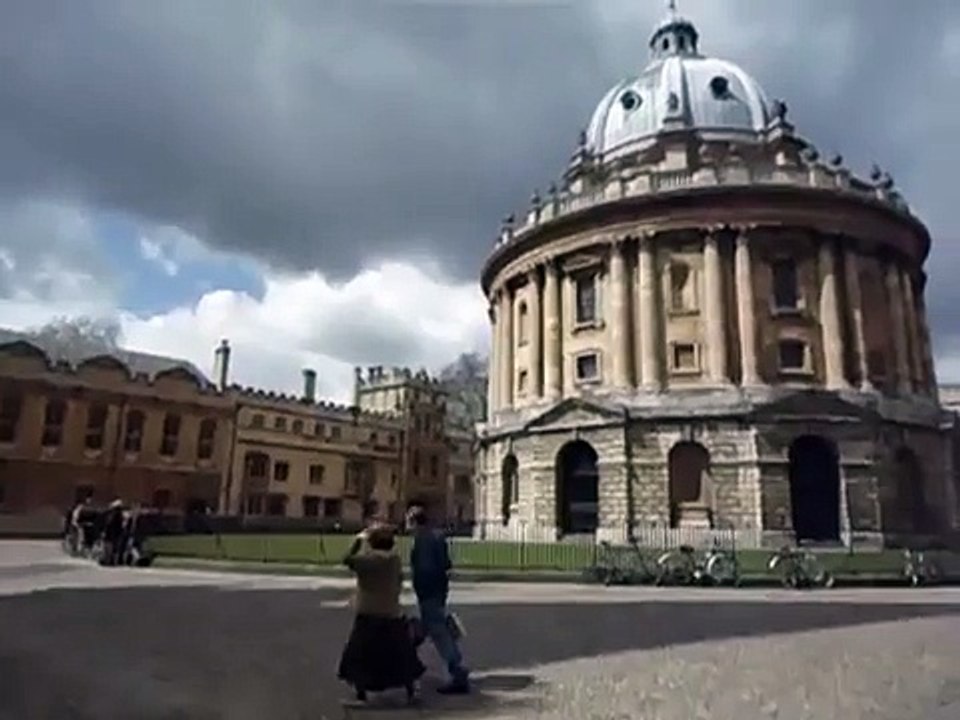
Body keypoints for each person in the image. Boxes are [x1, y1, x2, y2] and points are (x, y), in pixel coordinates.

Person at [337, 524, 424, 705]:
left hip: (369, 612)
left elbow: (346, 559)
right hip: (391, 612)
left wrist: (358, 540)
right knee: (401, 654)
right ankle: (410, 689)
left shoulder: (367, 562)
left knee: (360, 654)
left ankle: (361, 693)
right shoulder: (394, 560)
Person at [406, 503, 470, 694]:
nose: (406, 527)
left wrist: (422, 589)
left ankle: (457, 671)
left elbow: (426, 569)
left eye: (408, 522)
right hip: (438, 591)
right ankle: (408, 666)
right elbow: (446, 564)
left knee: (439, 633)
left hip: (429, 592)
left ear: (414, 522)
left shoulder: (423, 540)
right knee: (425, 630)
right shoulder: (436, 536)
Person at [102, 499, 126, 566]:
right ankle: (111, 561)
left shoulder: (114, 515)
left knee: (112, 548)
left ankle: (110, 561)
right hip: (114, 534)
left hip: (113, 534)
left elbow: (109, 524)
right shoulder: (117, 515)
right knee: (113, 548)